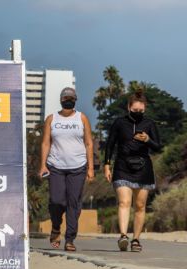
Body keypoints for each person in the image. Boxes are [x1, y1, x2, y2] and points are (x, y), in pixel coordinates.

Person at [103, 90, 162, 252]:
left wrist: (148, 140)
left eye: (141, 111)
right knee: (124, 202)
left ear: (145, 109)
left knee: (140, 205)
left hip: (143, 168)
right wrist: (107, 165)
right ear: (129, 107)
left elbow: (158, 147)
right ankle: (123, 236)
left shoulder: (149, 124)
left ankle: (136, 239)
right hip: (122, 166)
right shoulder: (119, 123)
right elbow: (110, 144)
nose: (138, 114)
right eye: (135, 111)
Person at [39, 87, 95, 252]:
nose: (68, 100)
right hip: (55, 166)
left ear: (75, 100)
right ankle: (56, 226)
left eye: (71, 98)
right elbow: (45, 143)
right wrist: (42, 165)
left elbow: (89, 143)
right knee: (56, 201)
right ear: (61, 100)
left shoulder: (81, 118)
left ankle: (70, 239)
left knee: (73, 204)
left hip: (77, 167)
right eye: (66, 98)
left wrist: (91, 168)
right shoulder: (52, 119)